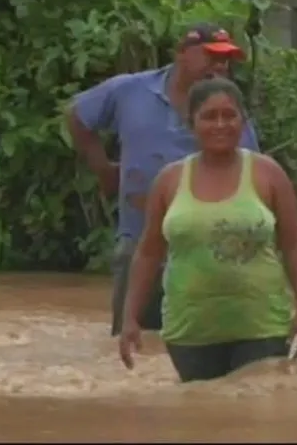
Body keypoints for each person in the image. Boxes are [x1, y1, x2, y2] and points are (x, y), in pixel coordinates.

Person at [66, 23, 261, 337]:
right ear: (182, 54)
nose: (220, 67)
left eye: (226, 60)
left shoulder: (225, 113)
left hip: (203, 248)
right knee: (131, 342)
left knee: (201, 341)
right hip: (139, 238)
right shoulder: (129, 90)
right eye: (212, 56)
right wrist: (103, 169)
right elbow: (77, 116)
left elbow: (251, 174)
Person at [117, 77, 297, 382]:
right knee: (200, 420)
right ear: (191, 123)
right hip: (190, 331)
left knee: (259, 417)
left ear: (243, 121)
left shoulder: (268, 174)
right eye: (209, 116)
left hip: (262, 325)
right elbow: (149, 252)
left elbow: (295, 244)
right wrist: (130, 317)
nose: (220, 124)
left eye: (229, 115)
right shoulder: (169, 181)